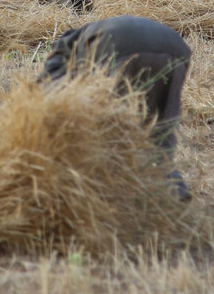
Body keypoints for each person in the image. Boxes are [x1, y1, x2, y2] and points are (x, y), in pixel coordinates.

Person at [40, 15, 192, 201]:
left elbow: (48, 86)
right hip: (176, 48)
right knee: (159, 129)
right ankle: (174, 191)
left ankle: (106, 195)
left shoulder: (67, 45)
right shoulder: (91, 34)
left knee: (109, 128)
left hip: (122, 47)